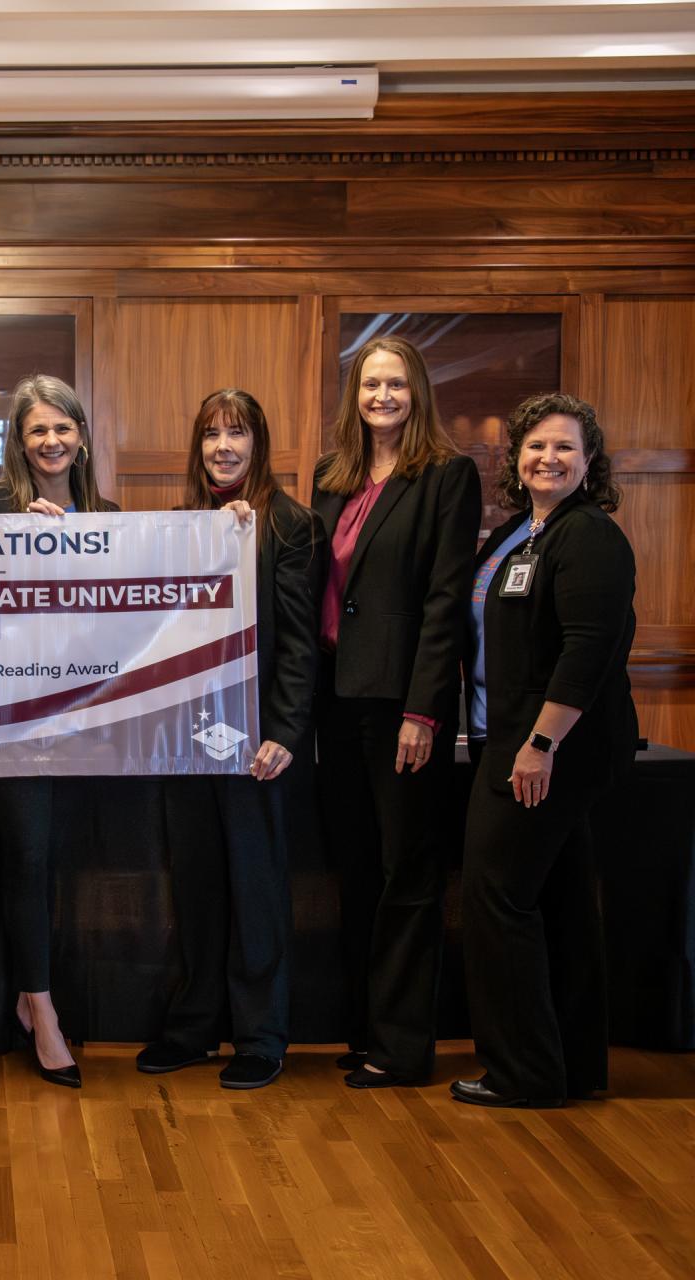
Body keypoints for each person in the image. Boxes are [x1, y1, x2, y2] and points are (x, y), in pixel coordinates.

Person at [136, 389, 324, 1090]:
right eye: (212, 434)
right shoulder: (180, 525)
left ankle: (260, 1037)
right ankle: (194, 1028)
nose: (223, 446)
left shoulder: (290, 524)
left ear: (257, 443)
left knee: (256, 891)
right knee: (198, 889)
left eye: (237, 433)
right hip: (189, 741)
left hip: (257, 747)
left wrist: (285, 733)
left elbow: (300, 643)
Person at [452, 393, 636, 1108]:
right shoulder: (518, 533)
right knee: (558, 900)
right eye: (535, 446)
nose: (548, 458)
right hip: (508, 737)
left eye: (564, 448)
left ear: (590, 462)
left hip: (546, 749)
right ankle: (572, 1064)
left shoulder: (588, 536)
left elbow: (588, 650)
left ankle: (521, 1072)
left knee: (496, 896)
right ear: (516, 458)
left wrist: (539, 743)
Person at [311, 335, 481, 1089]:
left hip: (401, 707)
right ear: (354, 395)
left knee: (407, 871)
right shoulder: (332, 476)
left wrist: (425, 712)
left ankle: (404, 1047)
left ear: (418, 393)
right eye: (370, 384)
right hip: (334, 700)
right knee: (355, 869)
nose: (382, 396)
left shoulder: (446, 475)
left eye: (396, 384)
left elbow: (446, 602)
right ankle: (365, 1030)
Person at [0, 373, 116, 1088]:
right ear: (19, 442)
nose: (51, 440)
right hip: (12, 720)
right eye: (37, 430)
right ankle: (40, 1005)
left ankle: (39, 994)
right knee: (25, 854)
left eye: (62, 427)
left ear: (81, 436)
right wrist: (17, 543)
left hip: (90, 721)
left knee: (63, 858)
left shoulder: (109, 514)